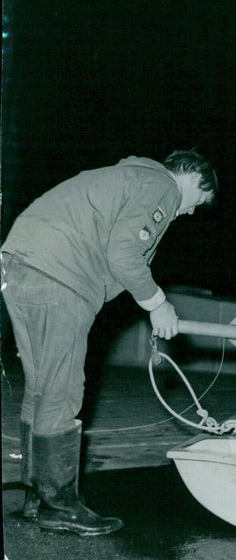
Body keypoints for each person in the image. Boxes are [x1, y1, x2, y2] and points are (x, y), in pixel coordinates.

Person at [1, 150, 218, 536]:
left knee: (42, 387)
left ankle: (37, 497)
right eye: (197, 203)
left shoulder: (127, 178)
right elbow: (124, 254)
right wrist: (158, 304)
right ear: (193, 179)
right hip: (60, 276)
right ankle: (60, 506)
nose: (188, 213)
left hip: (22, 264)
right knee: (63, 388)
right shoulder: (162, 187)